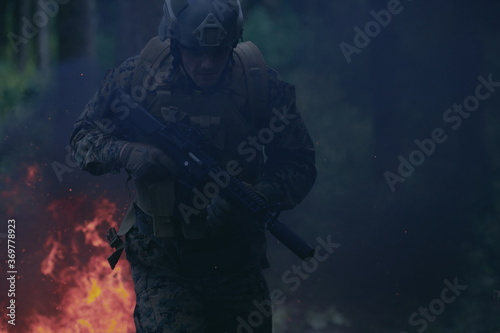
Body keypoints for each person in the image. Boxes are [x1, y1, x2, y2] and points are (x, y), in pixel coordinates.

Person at [70, 0, 316, 332]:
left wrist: (258, 194)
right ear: (174, 43)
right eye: (194, 52)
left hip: (236, 263)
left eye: (218, 53)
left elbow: (299, 163)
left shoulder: (260, 86)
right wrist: (126, 152)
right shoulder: (138, 78)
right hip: (163, 264)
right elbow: (82, 138)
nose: (206, 64)